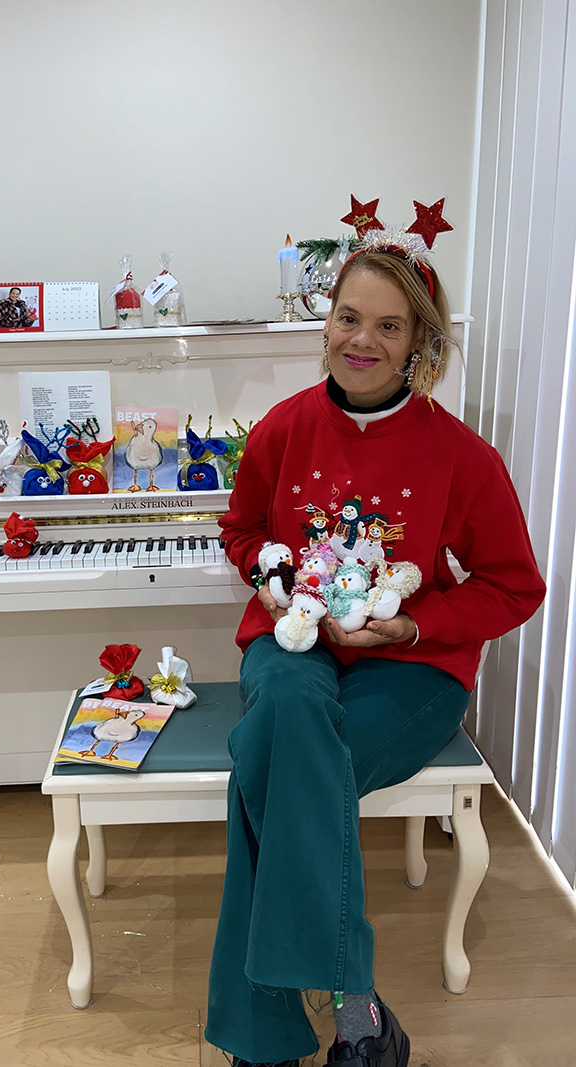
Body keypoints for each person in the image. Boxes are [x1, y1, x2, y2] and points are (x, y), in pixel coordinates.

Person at [205, 235, 546, 1067]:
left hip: (410, 667)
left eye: (389, 327)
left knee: (274, 765)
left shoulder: (461, 456)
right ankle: (360, 1017)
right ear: (325, 323)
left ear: (419, 343)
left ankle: (266, 1037)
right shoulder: (283, 430)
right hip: (294, 644)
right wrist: (270, 571)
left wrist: (413, 625)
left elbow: (513, 583)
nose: (363, 340)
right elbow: (242, 528)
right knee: (284, 714)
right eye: (349, 317)